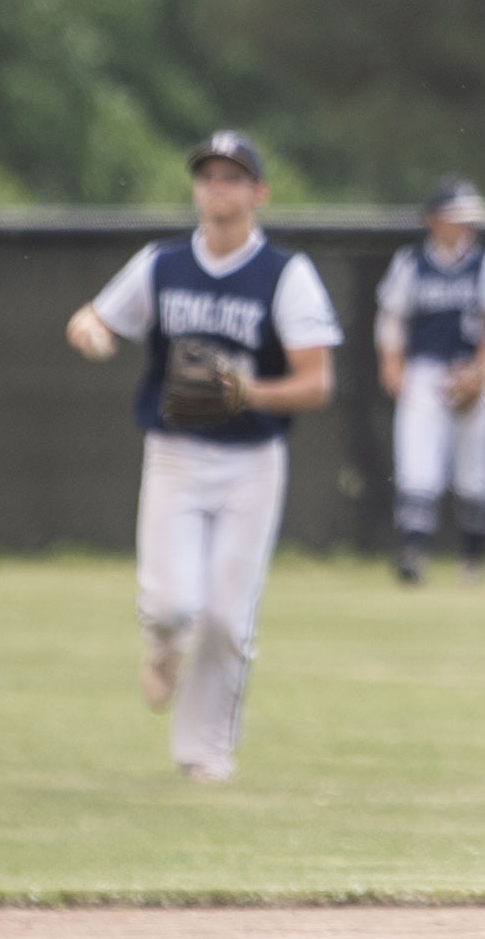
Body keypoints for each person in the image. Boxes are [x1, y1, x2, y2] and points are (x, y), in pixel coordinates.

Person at [64, 130, 343, 783]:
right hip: (176, 455)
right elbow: (97, 318)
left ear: (258, 193)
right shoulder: (161, 265)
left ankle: (204, 753)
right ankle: (162, 649)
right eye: (208, 176)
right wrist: (90, 331)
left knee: (225, 616)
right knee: (170, 606)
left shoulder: (284, 274)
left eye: (232, 177)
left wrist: (251, 391)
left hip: (252, 460)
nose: (217, 188)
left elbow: (318, 382)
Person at [374, 177, 485, 585]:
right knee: (417, 464)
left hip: (473, 371)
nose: (465, 225)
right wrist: (392, 365)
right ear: (433, 220)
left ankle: (473, 561)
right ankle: (412, 552)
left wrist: (482, 371)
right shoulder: (411, 263)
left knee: (476, 470)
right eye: (456, 217)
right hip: (425, 371)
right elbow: (392, 318)